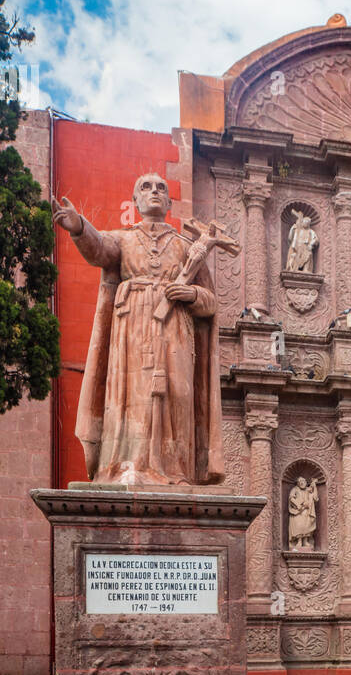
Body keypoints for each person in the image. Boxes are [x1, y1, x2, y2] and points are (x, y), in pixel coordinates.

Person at [51, 173, 224, 486]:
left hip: (176, 330)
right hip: (130, 329)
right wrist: (78, 227)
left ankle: (176, 471)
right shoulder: (124, 238)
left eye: (161, 188)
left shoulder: (187, 246)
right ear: (135, 201)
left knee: (177, 394)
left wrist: (191, 294)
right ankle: (126, 467)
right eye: (146, 187)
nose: (154, 191)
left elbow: (211, 303)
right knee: (131, 397)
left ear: (170, 202)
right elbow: (99, 249)